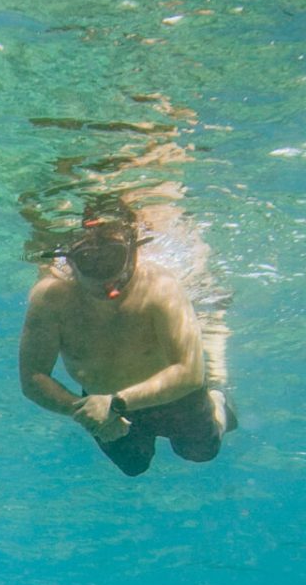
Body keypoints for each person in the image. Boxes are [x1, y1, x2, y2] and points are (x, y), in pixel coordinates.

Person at [17, 196, 233, 476]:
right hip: (102, 403)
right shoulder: (50, 299)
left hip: (172, 396)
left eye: (113, 258)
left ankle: (217, 398)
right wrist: (79, 409)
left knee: (201, 452)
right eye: (90, 260)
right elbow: (33, 377)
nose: (106, 280)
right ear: (70, 260)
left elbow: (189, 372)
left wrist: (116, 402)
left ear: (134, 252)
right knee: (133, 465)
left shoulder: (161, 288)